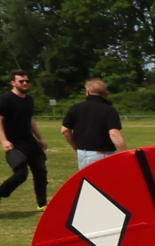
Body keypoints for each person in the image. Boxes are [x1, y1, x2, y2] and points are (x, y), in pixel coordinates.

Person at [0, 70, 49, 209]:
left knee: (41, 172)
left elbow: (30, 119)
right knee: (21, 175)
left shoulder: (29, 99)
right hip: (14, 143)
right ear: (13, 82)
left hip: (30, 142)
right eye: (21, 81)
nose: (25, 83)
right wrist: (4, 140)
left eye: (27, 81)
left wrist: (40, 138)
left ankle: (42, 204)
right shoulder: (6, 98)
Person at [61, 79, 127, 169]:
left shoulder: (75, 108)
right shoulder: (108, 110)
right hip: (102, 154)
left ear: (87, 92)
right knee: (104, 182)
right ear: (105, 93)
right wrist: (125, 152)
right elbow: (114, 133)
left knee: (88, 182)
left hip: (81, 153)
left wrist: (75, 146)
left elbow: (64, 130)